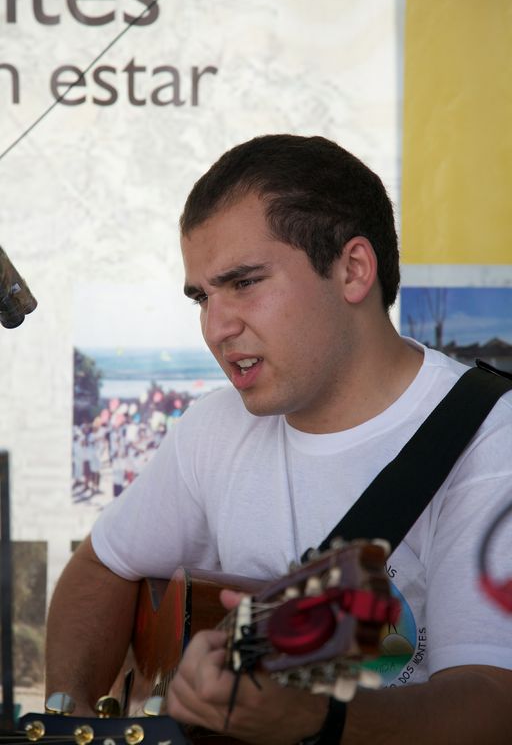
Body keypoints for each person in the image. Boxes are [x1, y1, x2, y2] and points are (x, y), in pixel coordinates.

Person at [45, 135, 512, 743]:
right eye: (203, 297)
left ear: (352, 270)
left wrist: (318, 719)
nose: (216, 326)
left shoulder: (491, 439)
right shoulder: (213, 428)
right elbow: (103, 564)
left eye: (244, 283)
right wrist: (68, 713)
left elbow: (494, 701)